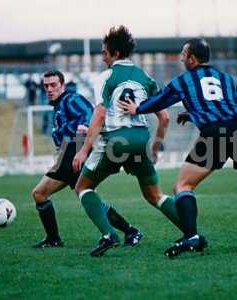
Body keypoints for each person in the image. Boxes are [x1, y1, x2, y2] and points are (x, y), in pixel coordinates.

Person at [118, 38, 237, 257]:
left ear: (192, 58)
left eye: (183, 54)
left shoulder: (185, 80)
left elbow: (163, 99)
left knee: (182, 186)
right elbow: (222, 105)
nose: (181, 58)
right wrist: (193, 114)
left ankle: (191, 236)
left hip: (215, 132)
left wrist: (138, 108)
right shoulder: (227, 79)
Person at [72, 26, 183, 257]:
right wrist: (156, 145)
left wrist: (83, 150)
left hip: (115, 140)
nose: (102, 57)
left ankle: (108, 234)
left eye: (104, 53)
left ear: (114, 53)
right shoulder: (146, 78)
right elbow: (164, 116)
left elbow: (100, 115)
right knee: (155, 195)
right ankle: (191, 233)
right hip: (140, 139)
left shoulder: (106, 77)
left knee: (83, 187)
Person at [31, 70, 143, 248]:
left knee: (41, 193)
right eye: (46, 86)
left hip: (74, 151)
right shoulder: (59, 105)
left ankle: (55, 239)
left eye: (53, 85)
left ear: (63, 86)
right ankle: (130, 231)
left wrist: (82, 130)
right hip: (69, 152)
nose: (49, 89)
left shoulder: (70, 99)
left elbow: (89, 113)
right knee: (83, 195)